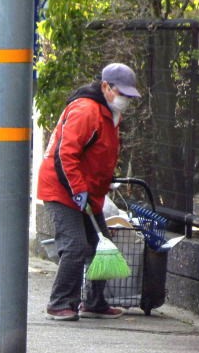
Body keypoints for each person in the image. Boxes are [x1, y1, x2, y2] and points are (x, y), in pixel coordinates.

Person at [36, 63, 142, 321]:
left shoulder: (109, 114)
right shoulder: (86, 111)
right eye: (122, 94)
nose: (125, 100)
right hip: (62, 188)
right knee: (75, 246)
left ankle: (94, 302)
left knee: (100, 245)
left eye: (129, 96)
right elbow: (65, 155)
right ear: (106, 87)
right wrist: (78, 190)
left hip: (86, 190)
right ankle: (60, 303)